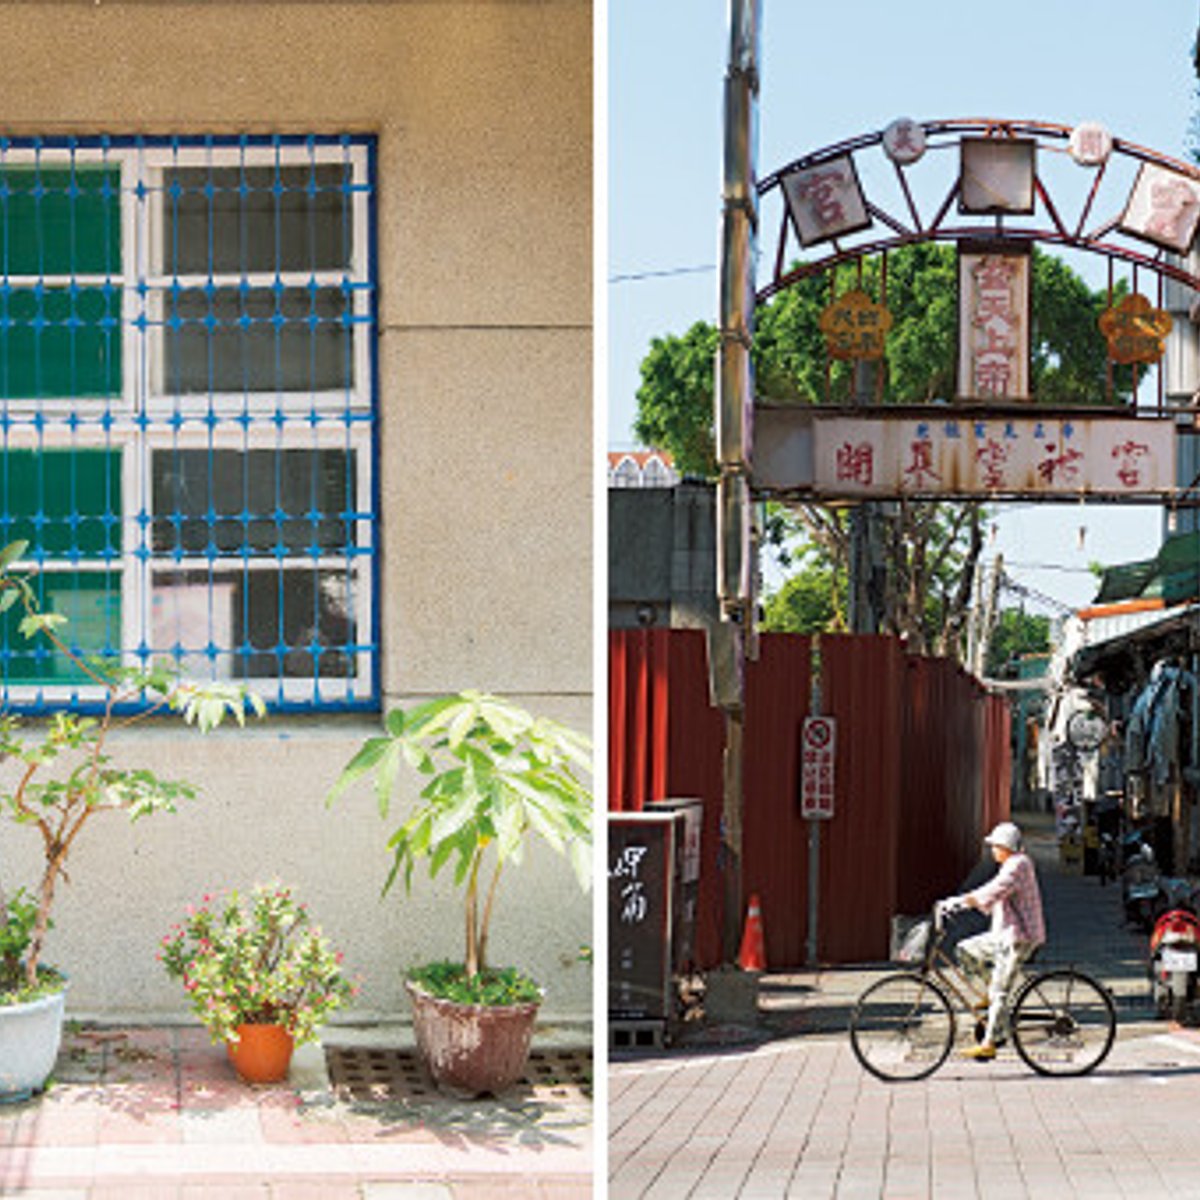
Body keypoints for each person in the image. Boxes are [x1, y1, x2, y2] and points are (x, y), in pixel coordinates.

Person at [940, 820, 1046, 1061]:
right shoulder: (1011, 863)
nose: (992, 850)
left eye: (995, 846)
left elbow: (993, 891)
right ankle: (991, 997)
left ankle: (989, 1043)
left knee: (1000, 991)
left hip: (1019, 938)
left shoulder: (1018, 865)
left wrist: (957, 902)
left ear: (1006, 846)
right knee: (964, 950)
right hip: (1004, 934)